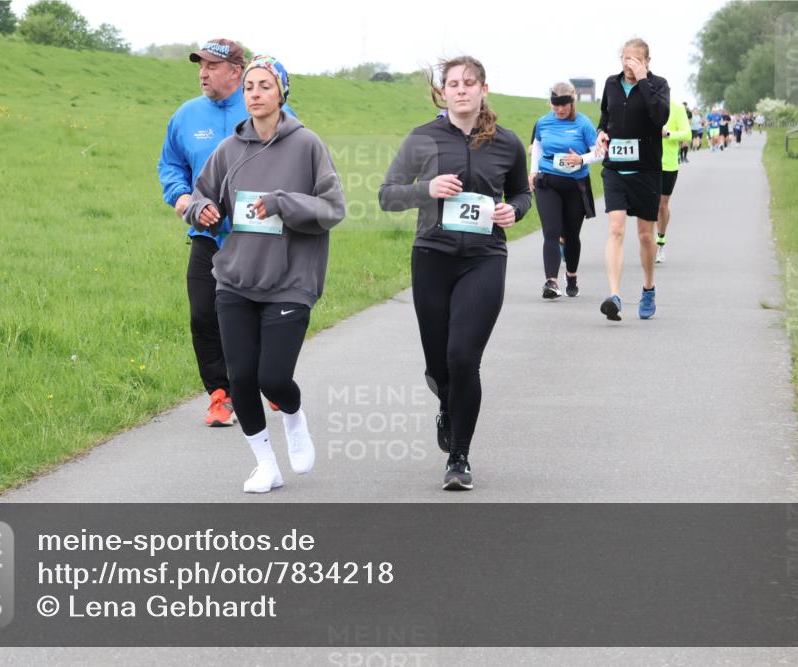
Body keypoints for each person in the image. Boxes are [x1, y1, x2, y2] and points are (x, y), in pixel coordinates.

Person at [185, 56, 346, 493]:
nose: (255, 94)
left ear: (282, 94)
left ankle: (293, 416)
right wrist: (204, 209)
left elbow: (333, 209)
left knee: (272, 378)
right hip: (235, 279)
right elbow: (200, 197)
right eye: (250, 87)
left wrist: (282, 203)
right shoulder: (229, 151)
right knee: (240, 378)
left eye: (265, 86)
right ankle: (265, 464)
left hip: (290, 281)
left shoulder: (307, 145)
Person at [379, 56, 531, 490]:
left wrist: (512, 211)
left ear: (484, 89)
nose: (461, 90)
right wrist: (426, 189)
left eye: (469, 83)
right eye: (453, 83)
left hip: (484, 258)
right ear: (442, 91)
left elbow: (521, 193)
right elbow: (387, 195)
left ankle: (459, 457)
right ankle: (447, 402)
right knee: (440, 364)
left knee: (464, 356)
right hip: (432, 257)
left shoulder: (507, 143)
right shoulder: (422, 139)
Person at [158, 39, 295, 428]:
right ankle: (221, 394)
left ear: (236, 70)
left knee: (259, 312)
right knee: (204, 314)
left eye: (212, 66)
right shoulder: (186, 116)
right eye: (200, 65)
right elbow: (170, 165)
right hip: (207, 234)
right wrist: (182, 198)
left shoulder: (265, 107)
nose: (203, 72)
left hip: (260, 236)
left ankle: (269, 381)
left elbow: (297, 158)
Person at [594, 37, 670, 321]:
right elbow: (605, 115)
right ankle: (614, 295)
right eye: (626, 58)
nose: (629, 64)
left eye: (636, 59)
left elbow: (660, 117)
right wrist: (601, 132)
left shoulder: (658, 85)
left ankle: (648, 288)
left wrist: (643, 81)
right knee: (615, 229)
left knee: (644, 235)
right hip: (615, 168)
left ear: (647, 62)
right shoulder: (611, 84)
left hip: (646, 170)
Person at [529, 82, 601, 298]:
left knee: (571, 235)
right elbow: (538, 146)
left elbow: (599, 152)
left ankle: (571, 275)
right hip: (548, 181)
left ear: (572, 103)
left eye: (563, 106)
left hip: (575, 186)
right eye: (555, 106)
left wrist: (581, 159)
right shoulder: (543, 122)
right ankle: (551, 282)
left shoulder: (583, 123)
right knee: (551, 232)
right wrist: (533, 172)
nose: (559, 110)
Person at [656, 99, 692, 264]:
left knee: (662, 205)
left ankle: (660, 242)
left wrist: (668, 134)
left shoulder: (677, 108)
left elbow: (687, 134)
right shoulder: (646, 105)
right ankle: (648, 243)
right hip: (646, 164)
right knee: (648, 205)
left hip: (668, 164)